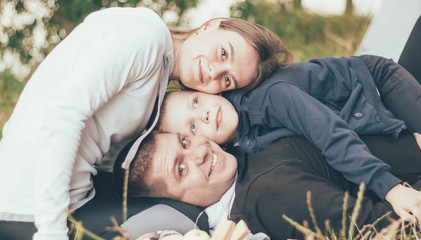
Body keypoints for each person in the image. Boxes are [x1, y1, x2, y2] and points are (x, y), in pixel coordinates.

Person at [0, 6, 291, 239]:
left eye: (227, 79)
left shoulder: (159, 77)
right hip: (33, 209)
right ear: (210, 25)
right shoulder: (146, 36)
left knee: (186, 210)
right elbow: (62, 113)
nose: (214, 71)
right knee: (184, 218)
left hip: (71, 200)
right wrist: (50, 232)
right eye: (223, 53)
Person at [158, 54, 421, 221]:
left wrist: (389, 188)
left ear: (207, 92)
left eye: (195, 101)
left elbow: (329, 133)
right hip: (359, 110)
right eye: (191, 128)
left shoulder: (267, 99)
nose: (203, 114)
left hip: (375, 80)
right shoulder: (240, 140)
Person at [114, 131, 421, 239]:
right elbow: (385, 229)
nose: (199, 152)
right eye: (181, 168)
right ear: (180, 200)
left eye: (185, 140)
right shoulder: (268, 195)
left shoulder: (240, 148)